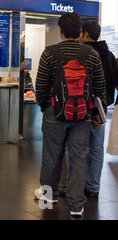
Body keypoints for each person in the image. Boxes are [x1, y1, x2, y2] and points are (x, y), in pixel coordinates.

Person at [34, 13, 106, 217]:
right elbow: (99, 88)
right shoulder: (91, 55)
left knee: (51, 155)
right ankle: (76, 204)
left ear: (61, 30)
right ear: (79, 31)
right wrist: (95, 115)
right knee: (79, 157)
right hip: (82, 115)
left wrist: (45, 106)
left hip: (54, 113)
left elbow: (41, 86)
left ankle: (49, 196)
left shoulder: (50, 53)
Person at [78, 20, 118, 197]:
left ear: (86, 34)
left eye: (80, 33)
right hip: (101, 107)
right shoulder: (109, 55)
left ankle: (77, 185)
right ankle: (93, 185)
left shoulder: (85, 54)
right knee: (96, 148)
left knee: (78, 148)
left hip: (84, 106)